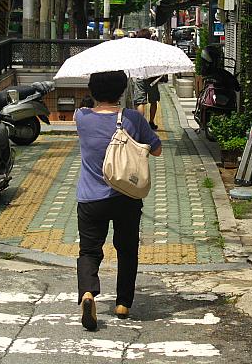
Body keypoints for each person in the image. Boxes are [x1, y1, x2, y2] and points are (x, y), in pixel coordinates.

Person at [74, 70, 162, 331]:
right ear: (122, 91)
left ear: (92, 90)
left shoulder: (82, 118)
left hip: (90, 198)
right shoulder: (133, 118)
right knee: (126, 249)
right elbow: (156, 149)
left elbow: (85, 110)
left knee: (89, 250)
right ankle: (123, 303)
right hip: (126, 196)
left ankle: (88, 292)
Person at [133, 28, 161, 129]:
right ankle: (151, 122)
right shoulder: (154, 48)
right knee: (153, 101)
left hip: (140, 76)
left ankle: (141, 124)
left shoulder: (136, 49)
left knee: (140, 101)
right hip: (152, 77)